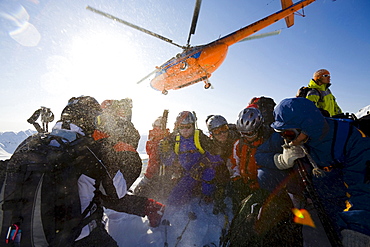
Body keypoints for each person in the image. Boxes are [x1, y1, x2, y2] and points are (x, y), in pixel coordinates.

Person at [255, 97, 370, 246]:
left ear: (306, 128)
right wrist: (281, 160)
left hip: (342, 200)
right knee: (265, 175)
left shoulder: (350, 140)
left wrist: (357, 230)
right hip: (312, 200)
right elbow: (260, 155)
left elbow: (362, 189)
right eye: (280, 133)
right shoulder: (288, 132)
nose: (286, 140)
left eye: (288, 135)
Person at [51, 96, 165, 246]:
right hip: (110, 162)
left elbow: (128, 143)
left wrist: (107, 147)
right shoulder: (95, 131)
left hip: (123, 161)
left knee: (108, 194)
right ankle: (148, 208)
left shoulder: (118, 126)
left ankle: (150, 208)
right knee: (100, 192)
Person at [159, 111, 223, 206]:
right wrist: (164, 153)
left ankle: (208, 196)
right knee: (173, 201)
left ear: (193, 126)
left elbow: (218, 156)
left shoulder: (200, 137)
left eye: (188, 127)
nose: (185, 130)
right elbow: (168, 162)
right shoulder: (174, 140)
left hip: (204, 172)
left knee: (209, 174)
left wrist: (202, 164)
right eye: (182, 127)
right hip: (189, 175)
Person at [228, 107, 274, 213]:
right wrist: (237, 177)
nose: (245, 136)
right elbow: (235, 162)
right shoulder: (239, 144)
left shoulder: (266, 144)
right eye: (242, 133)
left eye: (249, 133)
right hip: (245, 184)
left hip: (262, 188)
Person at [205, 114, 239, 214]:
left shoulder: (235, 136)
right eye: (217, 132)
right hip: (223, 165)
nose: (222, 134)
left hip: (236, 164)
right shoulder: (211, 145)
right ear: (212, 134)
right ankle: (220, 196)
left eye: (224, 129)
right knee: (220, 173)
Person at [134, 114, 171, 202]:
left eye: (156, 126)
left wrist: (146, 178)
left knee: (141, 193)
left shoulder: (158, 139)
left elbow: (154, 162)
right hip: (162, 177)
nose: (154, 128)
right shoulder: (157, 138)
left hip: (157, 177)